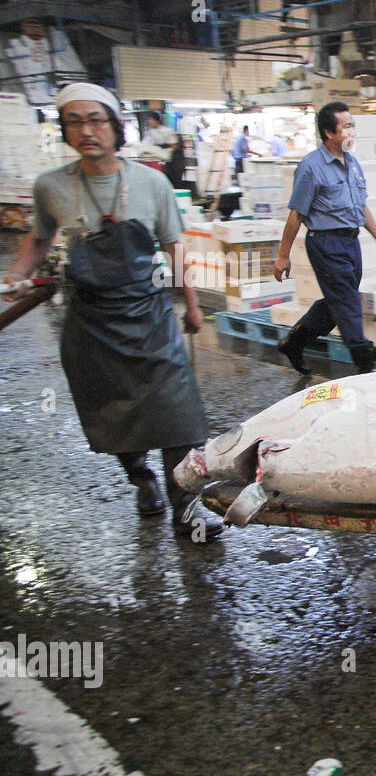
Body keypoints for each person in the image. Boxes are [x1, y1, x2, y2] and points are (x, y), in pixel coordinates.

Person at [1, 82, 222, 541]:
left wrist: (193, 305)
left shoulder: (151, 181)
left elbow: (173, 246)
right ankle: (141, 481)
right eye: (75, 122)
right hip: (92, 323)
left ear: (115, 127)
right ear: (64, 130)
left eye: (96, 119)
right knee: (115, 413)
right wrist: (17, 274)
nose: (86, 130)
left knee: (177, 413)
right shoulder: (51, 186)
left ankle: (186, 507)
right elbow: (39, 240)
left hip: (151, 314)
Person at [271, 101, 376, 375]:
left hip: (351, 243)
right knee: (350, 305)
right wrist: (283, 255)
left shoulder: (352, 164)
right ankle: (367, 369)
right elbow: (296, 214)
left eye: (353, 126)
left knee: (340, 301)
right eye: (347, 126)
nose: (352, 131)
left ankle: (295, 342)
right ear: (329, 133)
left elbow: (361, 207)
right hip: (325, 243)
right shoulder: (311, 167)